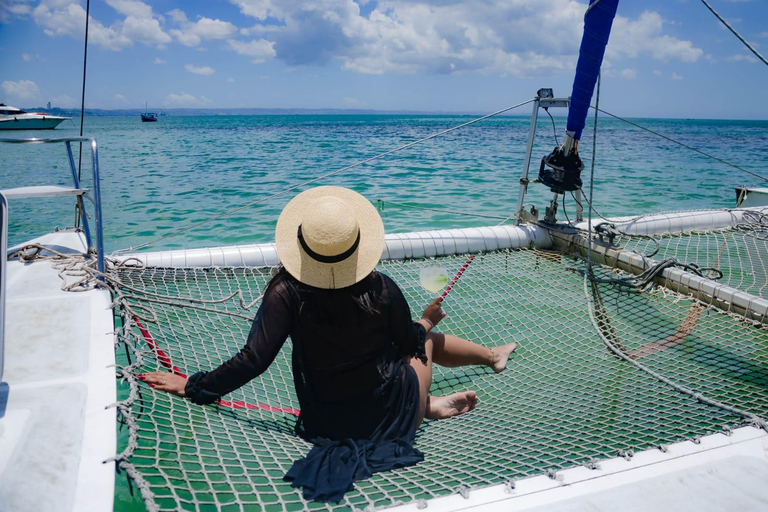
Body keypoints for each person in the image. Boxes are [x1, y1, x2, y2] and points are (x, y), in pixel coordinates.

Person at [139, 186, 517, 502]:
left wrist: (193, 385)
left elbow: (254, 359)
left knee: (412, 347)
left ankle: (429, 404)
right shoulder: (381, 288)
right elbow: (409, 347)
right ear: (356, 246)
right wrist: (425, 320)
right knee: (429, 340)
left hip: (327, 423)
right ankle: (488, 359)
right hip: (390, 417)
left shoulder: (286, 292)